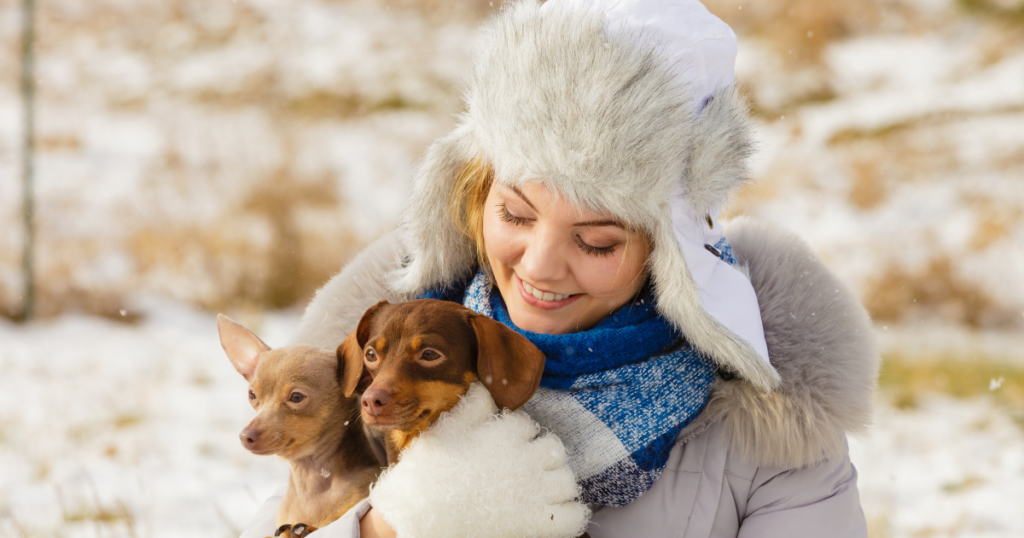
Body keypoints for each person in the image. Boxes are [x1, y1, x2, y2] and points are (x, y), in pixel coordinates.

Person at [241, 0, 878, 536]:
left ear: (672, 250)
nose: (540, 267)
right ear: (475, 196)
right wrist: (384, 528)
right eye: (515, 215)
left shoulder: (772, 434)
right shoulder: (366, 380)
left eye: (596, 242)